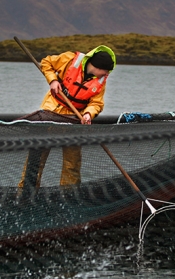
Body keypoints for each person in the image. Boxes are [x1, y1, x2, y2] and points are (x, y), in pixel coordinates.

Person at [18, 45, 116, 190]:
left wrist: (89, 113)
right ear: (97, 66)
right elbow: (47, 62)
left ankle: (68, 196)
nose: (107, 74)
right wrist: (53, 80)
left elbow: (96, 103)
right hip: (50, 114)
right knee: (36, 158)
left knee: (72, 163)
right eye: (105, 70)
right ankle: (25, 193)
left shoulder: (101, 81)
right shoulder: (71, 59)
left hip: (74, 121)